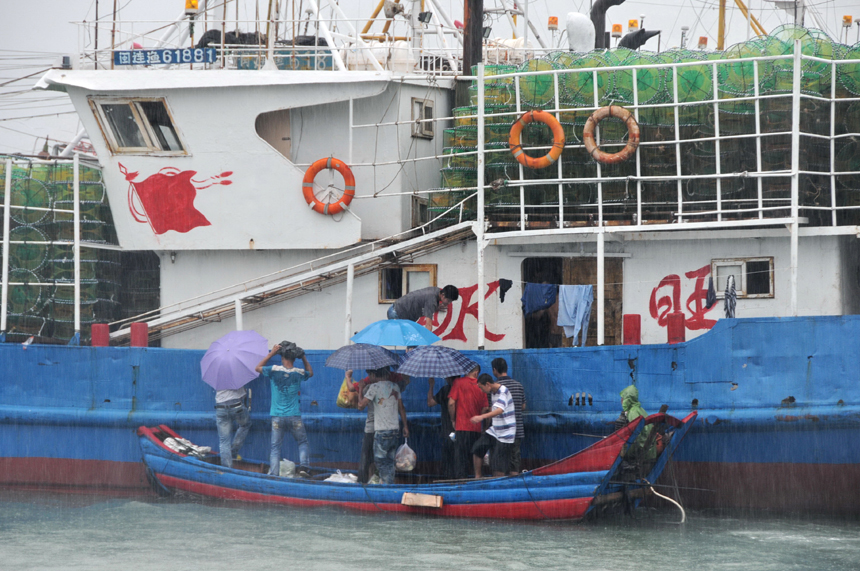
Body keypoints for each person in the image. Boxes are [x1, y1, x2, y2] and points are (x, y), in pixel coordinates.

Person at [255, 341, 314, 477]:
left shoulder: (273, 370)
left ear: (282, 357)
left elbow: (257, 368)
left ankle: (274, 474)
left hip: (277, 416)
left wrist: (271, 353)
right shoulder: (299, 373)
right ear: (294, 358)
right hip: (294, 416)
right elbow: (310, 372)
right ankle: (304, 467)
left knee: (275, 448)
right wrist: (303, 357)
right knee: (302, 442)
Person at [348, 368, 410, 483]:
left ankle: (385, 486)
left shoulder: (374, 388)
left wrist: (361, 388)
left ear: (373, 374)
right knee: (390, 461)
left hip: (381, 431)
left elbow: (360, 406)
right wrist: (405, 426)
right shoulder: (395, 387)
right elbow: (401, 407)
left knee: (380, 461)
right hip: (394, 430)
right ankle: (389, 484)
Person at [470, 373, 516, 479]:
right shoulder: (492, 392)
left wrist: (481, 417)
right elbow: (492, 409)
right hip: (495, 430)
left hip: (506, 433)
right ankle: (478, 476)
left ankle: (498, 483)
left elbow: (499, 410)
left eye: (481, 388)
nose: (481, 391)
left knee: (497, 464)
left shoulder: (503, 391)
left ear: (487, 384)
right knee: (477, 448)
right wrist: (487, 426)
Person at [447, 364, 486, 479]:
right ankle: (475, 480)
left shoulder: (458, 382)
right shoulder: (481, 385)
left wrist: (453, 419)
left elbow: (451, 403)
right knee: (475, 457)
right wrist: (482, 423)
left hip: (461, 427)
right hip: (476, 428)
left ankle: (461, 483)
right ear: (476, 372)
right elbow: (485, 408)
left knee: (461, 459)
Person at [491, 357, 526, 474]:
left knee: (499, 463)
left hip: (499, 432)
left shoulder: (494, 388)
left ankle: (499, 488)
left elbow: (490, 410)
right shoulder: (518, 385)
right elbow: (523, 407)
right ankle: (514, 487)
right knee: (514, 462)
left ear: (495, 370)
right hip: (516, 430)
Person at [387, 285, 459, 331]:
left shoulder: (436, 291)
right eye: (449, 300)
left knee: (412, 340)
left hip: (396, 309)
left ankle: (410, 351)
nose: (449, 303)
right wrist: (428, 344)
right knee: (412, 339)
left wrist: (435, 307)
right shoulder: (432, 300)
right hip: (396, 313)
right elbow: (428, 324)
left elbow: (424, 301)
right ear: (443, 295)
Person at [427, 376, 456, 479]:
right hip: (463, 429)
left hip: (447, 430)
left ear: (448, 378)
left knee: (448, 459)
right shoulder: (463, 389)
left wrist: (431, 386)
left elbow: (430, 402)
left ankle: (449, 480)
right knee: (460, 458)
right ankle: (461, 481)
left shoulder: (446, 390)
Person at [214, 387, 250, 469]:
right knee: (245, 425)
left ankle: (227, 468)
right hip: (236, 406)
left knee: (224, 440)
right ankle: (233, 451)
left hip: (220, 407)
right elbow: (243, 395)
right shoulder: (237, 376)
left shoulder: (217, 377)